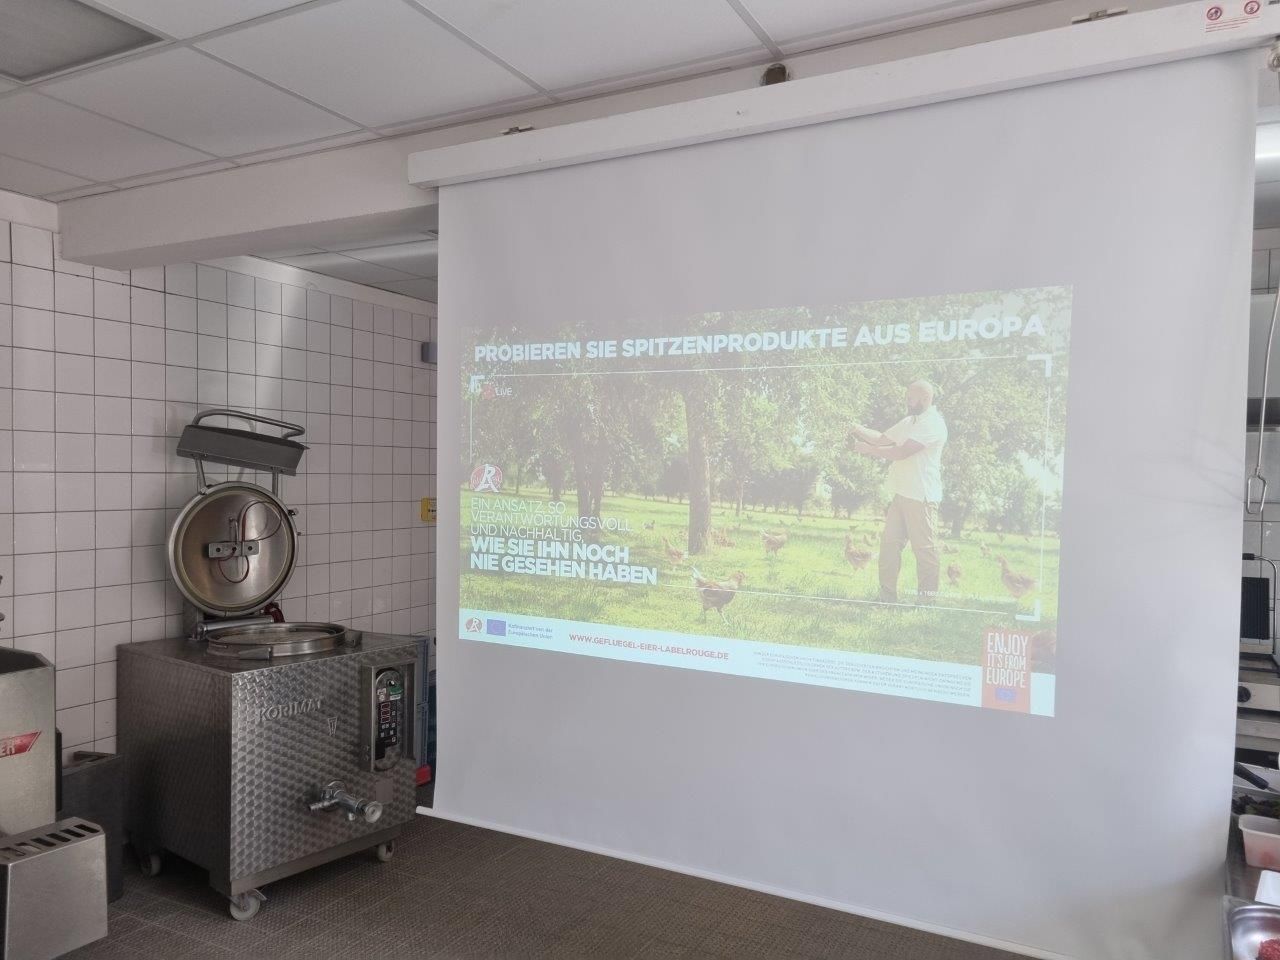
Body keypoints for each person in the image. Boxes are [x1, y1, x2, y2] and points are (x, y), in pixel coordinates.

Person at [849, 380, 948, 603]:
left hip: (921, 497)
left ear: (924, 399)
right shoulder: (910, 421)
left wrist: (869, 450)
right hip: (901, 494)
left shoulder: (933, 424)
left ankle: (926, 603)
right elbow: (882, 438)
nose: (907, 401)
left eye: (910, 398)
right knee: (889, 547)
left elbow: (902, 452)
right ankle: (887, 599)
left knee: (925, 552)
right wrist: (855, 428)